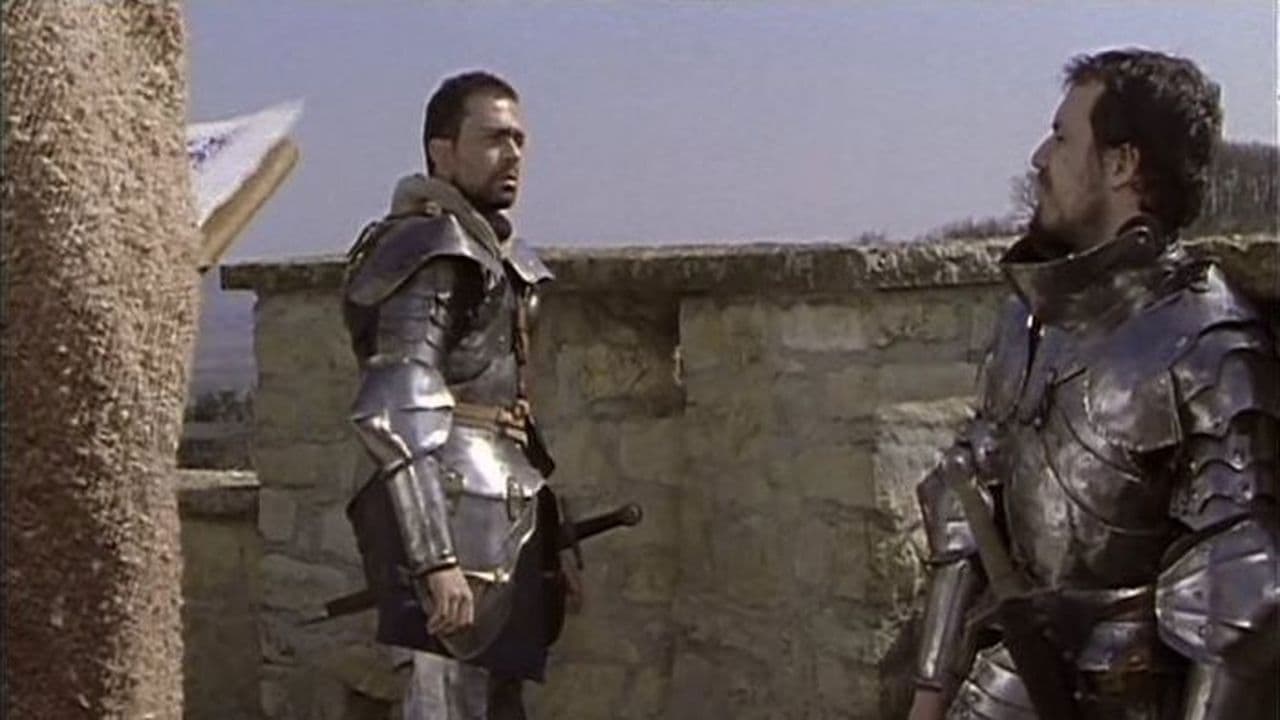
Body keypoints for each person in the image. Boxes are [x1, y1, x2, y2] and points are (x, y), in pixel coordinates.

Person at [906, 49, 1278, 720]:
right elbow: (968, 498)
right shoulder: (1031, 318)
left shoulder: (1205, 338)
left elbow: (1237, 588)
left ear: (1121, 164)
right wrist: (930, 691)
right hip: (1010, 679)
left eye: (1061, 137)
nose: (1039, 158)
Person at [340, 70, 582, 720]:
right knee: (443, 702)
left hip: (498, 509)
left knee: (495, 703)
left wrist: (550, 534)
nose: (513, 155)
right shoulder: (433, 248)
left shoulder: (489, 249)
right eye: (494, 138)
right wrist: (435, 561)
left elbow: (508, 412)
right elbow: (394, 410)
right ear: (442, 152)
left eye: (520, 140)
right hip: (448, 509)